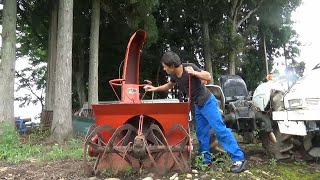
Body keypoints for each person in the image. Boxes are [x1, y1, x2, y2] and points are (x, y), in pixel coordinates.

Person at [144, 51, 247, 173]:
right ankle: (205, 160)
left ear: (171, 66)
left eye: (165, 66)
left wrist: (194, 73)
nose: (164, 68)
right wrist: (154, 89)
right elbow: (168, 86)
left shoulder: (190, 67)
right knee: (202, 133)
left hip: (208, 102)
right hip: (198, 106)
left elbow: (207, 76)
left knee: (220, 130)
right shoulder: (175, 76)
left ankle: (239, 159)